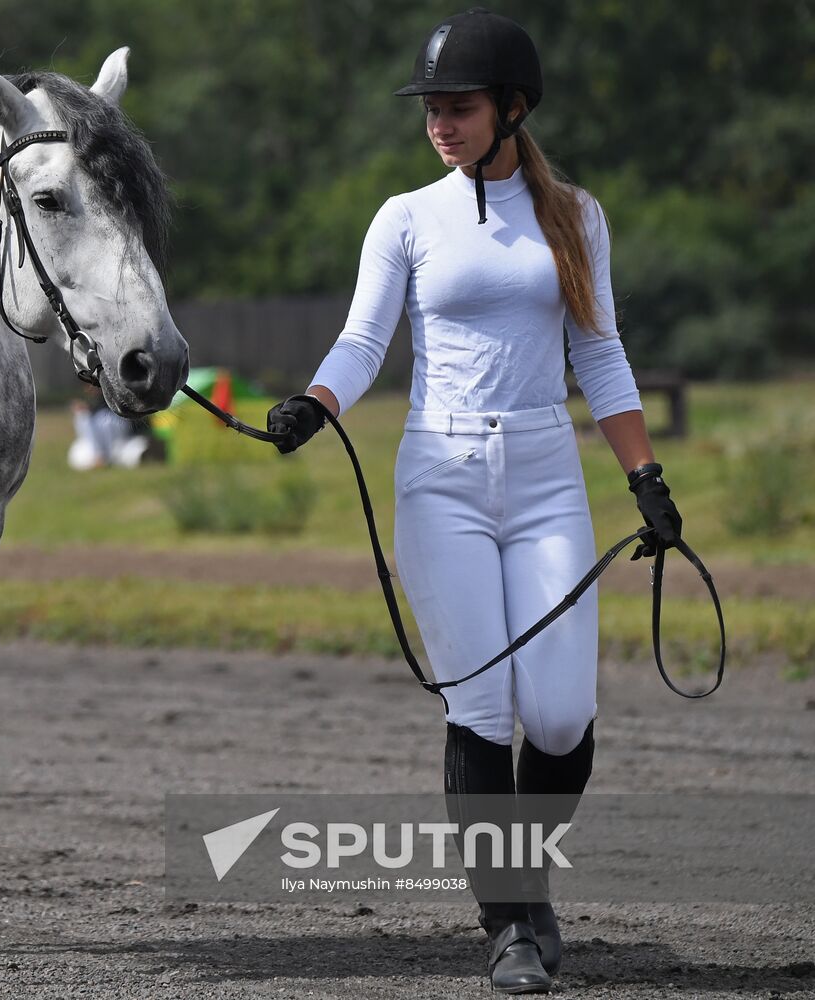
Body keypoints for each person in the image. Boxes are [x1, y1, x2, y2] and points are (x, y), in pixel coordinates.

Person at [267, 9, 682, 994]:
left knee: (559, 712)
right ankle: (512, 920)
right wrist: (314, 404)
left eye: (457, 107)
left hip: (546, 476)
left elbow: (600, 352)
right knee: (482, 705)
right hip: (439, 478)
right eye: (430, 110)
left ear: (510, 109)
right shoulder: (405, 217)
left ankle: (521, 881)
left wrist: (645, 479)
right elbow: (364, 341)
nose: (438, 124)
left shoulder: (573, 216)